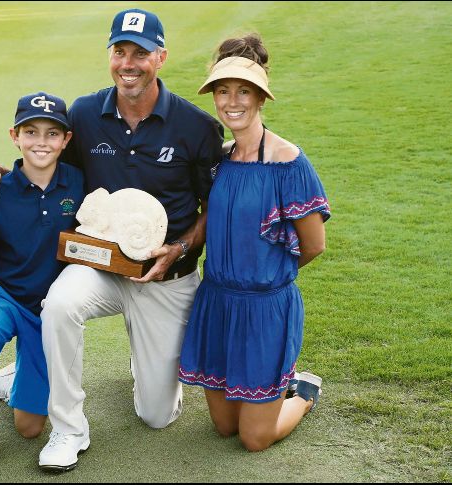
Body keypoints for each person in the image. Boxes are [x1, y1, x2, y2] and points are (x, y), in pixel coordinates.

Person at [0, 9, 223, 472]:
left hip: (167, 277)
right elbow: (43, 153)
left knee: (156, 416)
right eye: (120, 51)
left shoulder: (196, 127)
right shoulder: (86, 114)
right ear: (110, 55)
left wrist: (181, 249)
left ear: (160, 57)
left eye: (141, 53)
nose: (129, 63)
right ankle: (69, 429)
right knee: (60, 303)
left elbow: (213, 208)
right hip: (101, 266)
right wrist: (1, 174)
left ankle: (144, 364)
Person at [177, 34, 330, 452]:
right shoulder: (221, 158)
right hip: (217, 302)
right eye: (222, 91)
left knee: (254, 438)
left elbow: (314, 244)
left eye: (243, 91)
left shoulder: (288, 161)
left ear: (261, 97)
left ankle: (303, 391)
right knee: (224, 428)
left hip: (265, 309)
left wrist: (267, 277)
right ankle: (270, 388)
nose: (232, 101)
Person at [0, 92, 85, 470]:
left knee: (29, 428)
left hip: (52, 311)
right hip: (6, 298)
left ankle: (15, 378)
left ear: (66, 140)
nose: (41, 141)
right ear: (14, 136)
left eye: (52, 133)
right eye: (30, 132)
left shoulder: (80, 182)